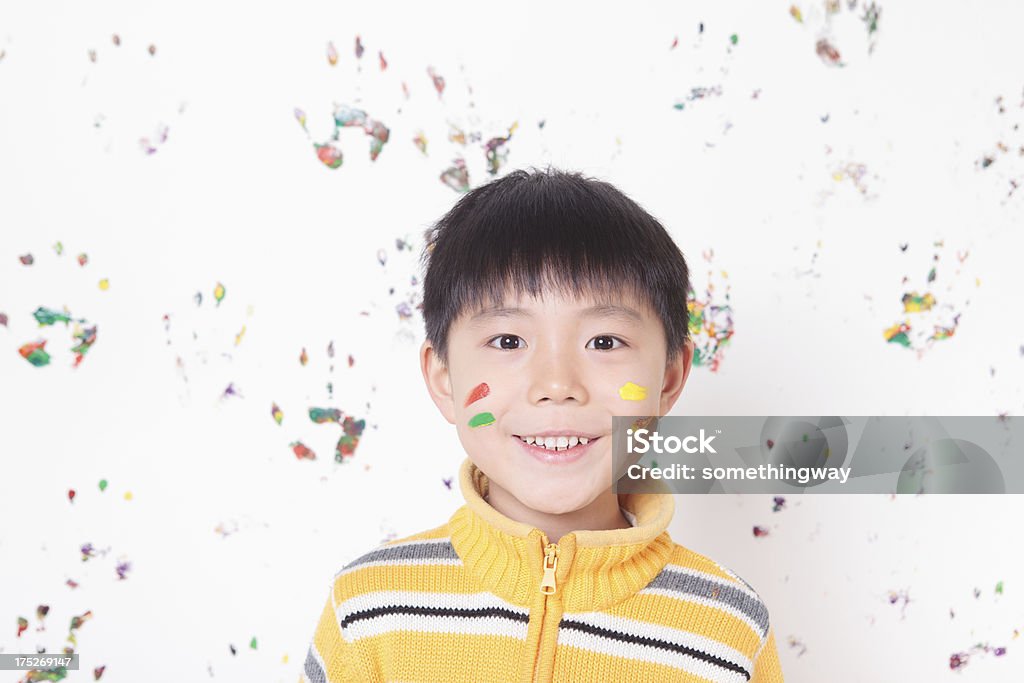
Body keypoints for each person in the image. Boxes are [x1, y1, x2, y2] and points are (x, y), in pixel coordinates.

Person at [300, 166, 784, 682]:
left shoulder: (728, 633)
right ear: (443, 379)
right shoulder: (370, 608)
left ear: (668, 378)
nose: (557, 383)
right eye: (508, 342)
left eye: (604, 342)